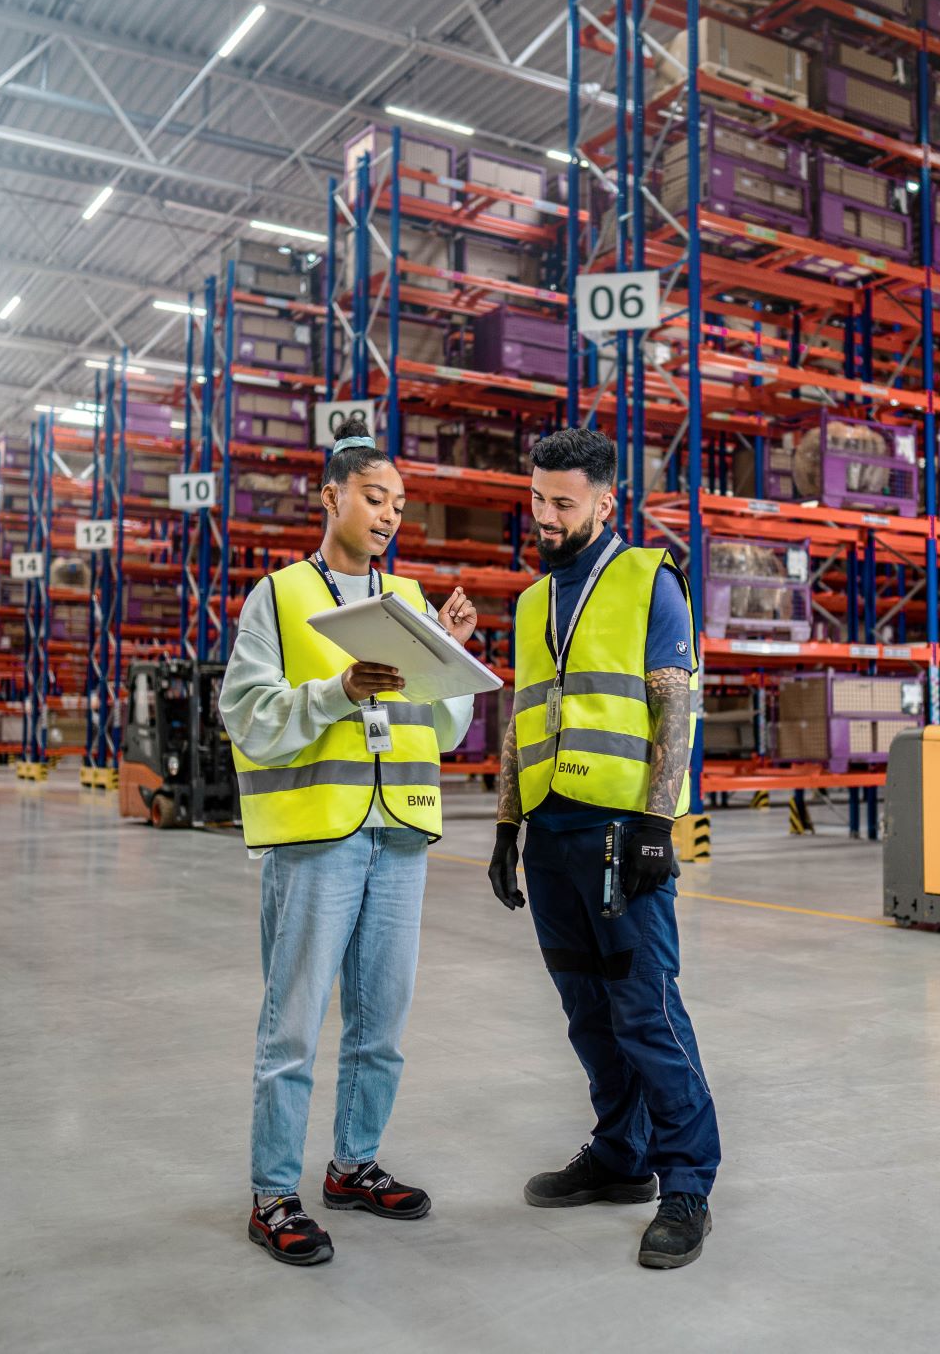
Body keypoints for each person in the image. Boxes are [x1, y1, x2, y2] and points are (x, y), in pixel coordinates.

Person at [220, 416, 478, 1268]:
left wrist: (454, 658)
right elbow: (248, 718)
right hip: (317, 838)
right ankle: (272, 1195)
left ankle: (353, 1164)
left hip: (398, 832)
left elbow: (442, 725)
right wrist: (335, 691)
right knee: (292, 1024)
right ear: (331, 497)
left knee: (382, 1022)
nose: (390, 515)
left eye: (400, 504)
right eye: (376, 497)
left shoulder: (407, 604)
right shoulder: (279, 597)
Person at [488, 427, 721, 1272]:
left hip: (624, 836)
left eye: (563, 502)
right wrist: (507, 826)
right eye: (537, 499)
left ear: (603, 501)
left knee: (647, 1012)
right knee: (587, 1013)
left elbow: (674, 707)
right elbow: (520, 718)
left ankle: (687, 1180)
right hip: (551, 836)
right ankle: (621, 1154)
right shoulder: (528, 601)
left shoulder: (647, 579)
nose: (546, 516)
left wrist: (660, 825)